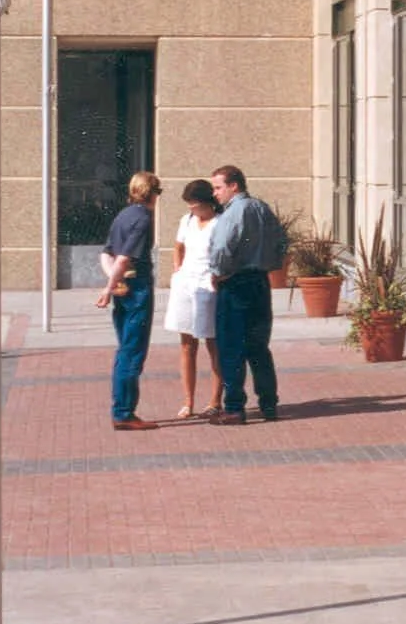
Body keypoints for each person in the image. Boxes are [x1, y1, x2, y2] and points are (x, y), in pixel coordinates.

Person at [205, 163, 284, 425]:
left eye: (218, 187)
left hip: (236, 284)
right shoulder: (262, 209)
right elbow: (281, 242)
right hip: (260, 283)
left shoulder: (233, 213)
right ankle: (269, 403)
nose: (215, 193)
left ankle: (234, 407)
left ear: (233, 186)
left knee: (231, 347)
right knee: (259, 347)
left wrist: (218, 273)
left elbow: (222, 249)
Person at [97, 169, 164, 431]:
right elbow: (124, 258)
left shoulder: (122, 216)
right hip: (136, 288)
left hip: (125, 286)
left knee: (124, 348)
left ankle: (121, 409)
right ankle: (124, 412)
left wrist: (115, 281)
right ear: (151, 193)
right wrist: (109, 285)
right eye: (158, 192)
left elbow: (107, 254)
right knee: (132, 351)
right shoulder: (144, 219)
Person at [162, 176, 225, 419]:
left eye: (194, 204)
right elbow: (178, 247)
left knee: (213, 344)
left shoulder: (219, 223)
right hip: (186, 284)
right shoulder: (186, 220)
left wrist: (216, 278)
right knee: (187, 344)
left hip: (208, 286)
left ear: (207, 202)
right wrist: (177, 270)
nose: (191, 208)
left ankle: (214, 400)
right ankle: (188, 401)